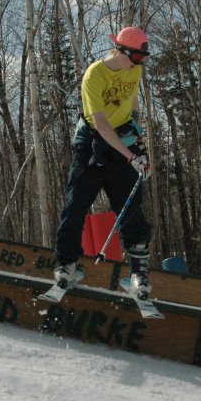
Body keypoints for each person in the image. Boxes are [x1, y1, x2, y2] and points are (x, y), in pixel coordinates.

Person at [53, 26, 153, 298]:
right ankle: (66, 263)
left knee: (131, 206)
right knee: (77, 203)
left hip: (122, 138)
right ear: (122, 51)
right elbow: (100, 124)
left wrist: (138, 135)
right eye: (138, 57)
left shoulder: (136, 69)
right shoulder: (94, 75)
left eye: (143, 58)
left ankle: (138, 272)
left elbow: (132, 100)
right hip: (93, 141)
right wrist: (129, 155)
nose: (141, 62)